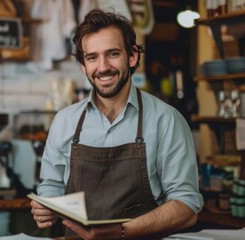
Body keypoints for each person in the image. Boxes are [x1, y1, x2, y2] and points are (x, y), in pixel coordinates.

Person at [30, 9, 203, 239]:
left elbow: (186, 205)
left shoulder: (167, 120)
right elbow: (51, 185)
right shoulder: (65, 121)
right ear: (83, 65)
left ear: (131, 56)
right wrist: (45, 207)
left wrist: (121, 232)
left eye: (112, 54)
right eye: (92, 57)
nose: (102, 67)